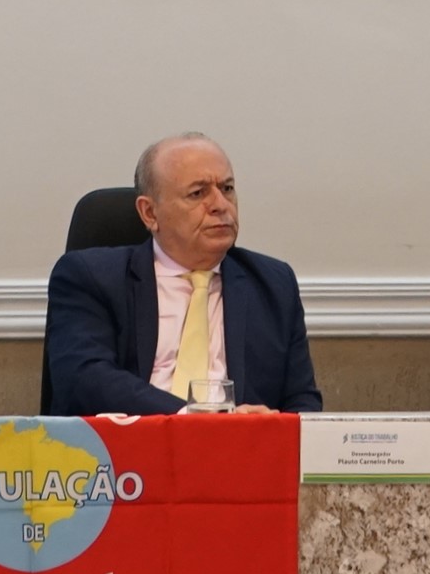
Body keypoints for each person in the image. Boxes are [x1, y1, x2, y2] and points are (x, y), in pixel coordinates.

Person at [41, 133, 324, 414]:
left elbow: (302, 403)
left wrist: (273, 430)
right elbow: (85, 381)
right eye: (198, 193)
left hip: (241, 455)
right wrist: (201, 419)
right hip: (128, 452)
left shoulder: (274, 283)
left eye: (227, 188)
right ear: (150, 213)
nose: (220, 205)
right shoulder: (91, 277)